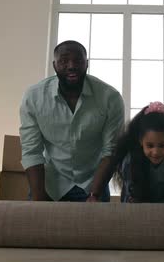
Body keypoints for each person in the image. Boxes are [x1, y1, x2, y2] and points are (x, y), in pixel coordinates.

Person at [19, 40, 125, 202]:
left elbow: (110, 150)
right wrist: (38, 198)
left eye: (78, 60)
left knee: (97, 228)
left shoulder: (110, 98)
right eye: (64, 60)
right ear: (54, 65)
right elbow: (32, 151)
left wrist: (95, 195)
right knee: (39, 227)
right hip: (50, 183)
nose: (71, 66)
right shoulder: (34, 97)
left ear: (87, 64)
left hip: (94, 182)